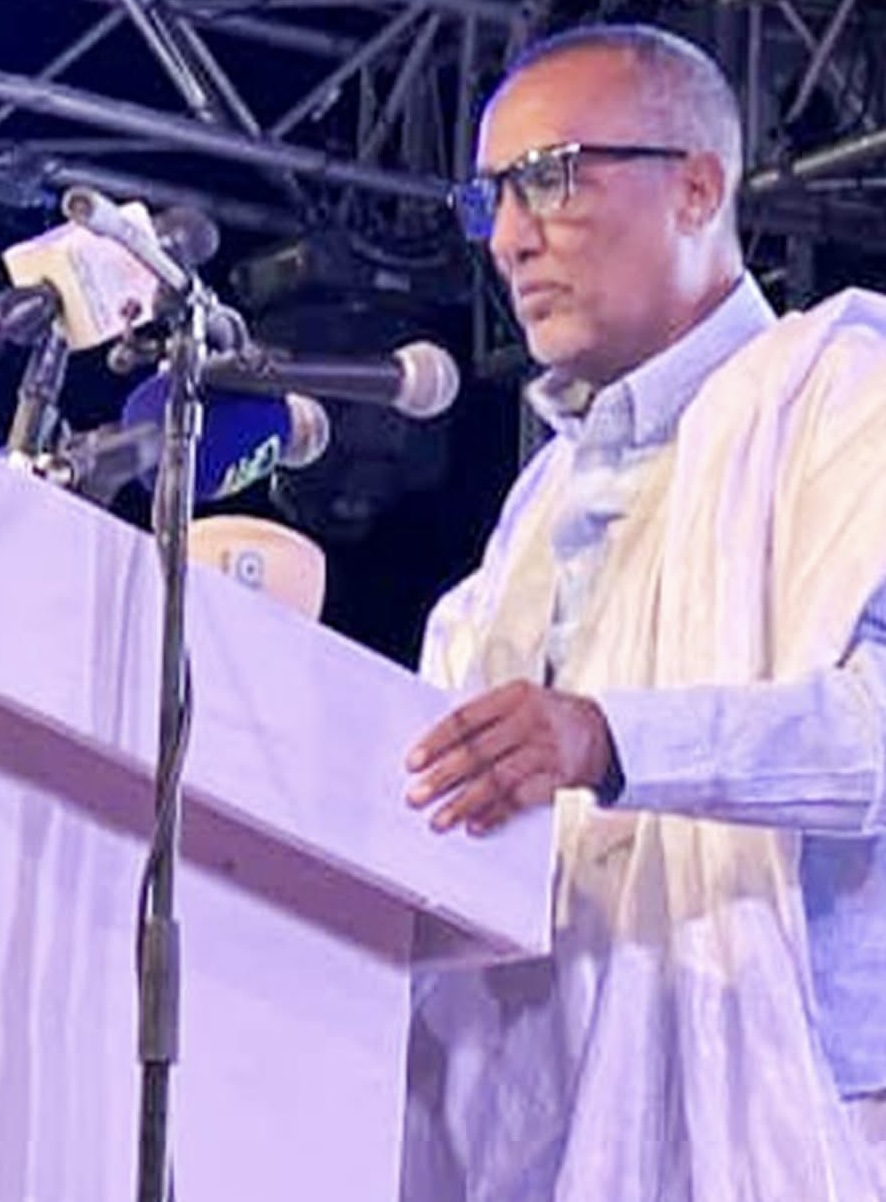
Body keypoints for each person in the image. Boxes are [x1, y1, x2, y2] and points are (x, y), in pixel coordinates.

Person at [399, 22, 886, 1200]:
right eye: (489, 198)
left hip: (803, 1124)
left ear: (696, 189)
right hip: (559, 1143)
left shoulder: (843, 396)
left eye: (548, 177)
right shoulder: (533, 511)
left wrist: (606, 738)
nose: (508, 236)